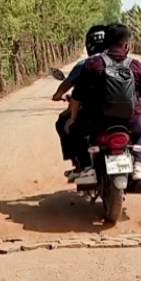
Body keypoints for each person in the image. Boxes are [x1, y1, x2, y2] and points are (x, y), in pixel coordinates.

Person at [66, 23, 141, 187]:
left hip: (97, 122)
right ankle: (137, 166)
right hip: (130, 122)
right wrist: (140, 116)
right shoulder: (135, 65)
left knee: (74, 130)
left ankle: (87, 168)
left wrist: (73, 118)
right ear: (127, 44)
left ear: (105, 42)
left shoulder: (92, 63)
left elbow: (77, 96)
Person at [53, 26, 107, 181]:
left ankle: (80, 166)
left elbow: (71, 87)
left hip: (92, 115)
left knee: (65, 124)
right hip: (121, 114)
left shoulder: (86, 64)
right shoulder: (123, 61)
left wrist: (58, 94)